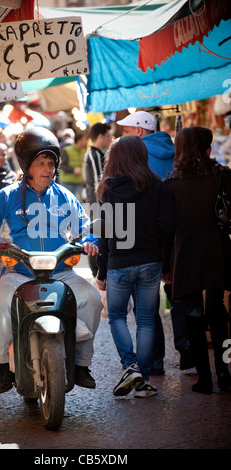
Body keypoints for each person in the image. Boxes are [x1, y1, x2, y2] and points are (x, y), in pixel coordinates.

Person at [0, 127, 102, 394]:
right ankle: (2, 366)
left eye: (51, 163)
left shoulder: (65, 196)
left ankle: (81, 364)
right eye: (40, 163)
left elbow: (86, 228)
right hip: (18, 272)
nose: (47, 169)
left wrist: (92, 240)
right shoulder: (6, 197)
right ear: (27, 166)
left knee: (93, 299)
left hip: (61, 273)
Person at [96, 135, 175, 398]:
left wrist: (101, 271)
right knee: (146, 322)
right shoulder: (156, 185)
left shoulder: (107, 189)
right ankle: (143, 379)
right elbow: (168, 227)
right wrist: (165, 260)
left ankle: (130, 367)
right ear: (142, 155)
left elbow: (104, 234)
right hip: (150, 261)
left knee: (117, 317)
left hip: (119, 263)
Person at [117, 111, 192, 374]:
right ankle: (187, 350)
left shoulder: (135, 155)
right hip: (179, 233)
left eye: (125, 131)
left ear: (139, 131)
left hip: (146, 236)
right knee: (179, 292)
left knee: (146, 301)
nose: (122, 136)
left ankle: (156, 360)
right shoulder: (175, 150)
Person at [163, 126, 231, 394]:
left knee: (192, 315)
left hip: (186, 254)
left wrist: (165, 265)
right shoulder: (223, 176)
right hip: (218, 251)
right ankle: (224, 372)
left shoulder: (170, 184)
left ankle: (204, 378)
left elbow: (166, 229)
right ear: (206, 148)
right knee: (218, 312)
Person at [83, 122, 113, 277]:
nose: (110, 139)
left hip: (97, 201)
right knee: (96, 235)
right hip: (97, 201)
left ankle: (98, 270)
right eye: (108, 136)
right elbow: (98, 181)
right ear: (100, 136)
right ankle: (96, 271)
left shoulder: (97, 153)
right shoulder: (94, 154)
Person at [58, 131, 88, 203]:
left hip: (79, 182)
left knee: (77, 204)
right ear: (79, 141)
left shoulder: (84, 152)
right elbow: (61, 165)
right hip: (67, 182)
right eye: (84, 140)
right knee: (65, 204)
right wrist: (73, 170)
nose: (86, 142)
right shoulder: (67, 150)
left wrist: (84, 177)